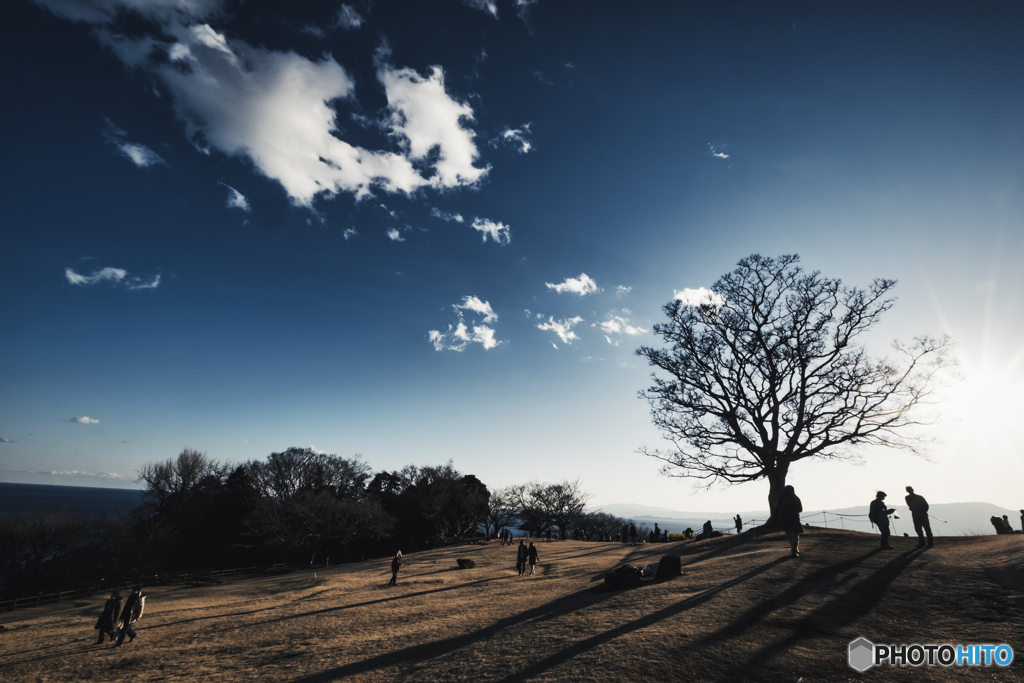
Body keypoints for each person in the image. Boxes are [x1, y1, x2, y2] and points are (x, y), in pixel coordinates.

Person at [776, 485, 803, 557]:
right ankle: (794, 551)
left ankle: (794, 549)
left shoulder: (781, 498)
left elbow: (777, 507)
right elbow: (800, 509)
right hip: (794, 518)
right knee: (794, 535)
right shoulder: (796, 498)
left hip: (784, 518)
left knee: (788, 534)